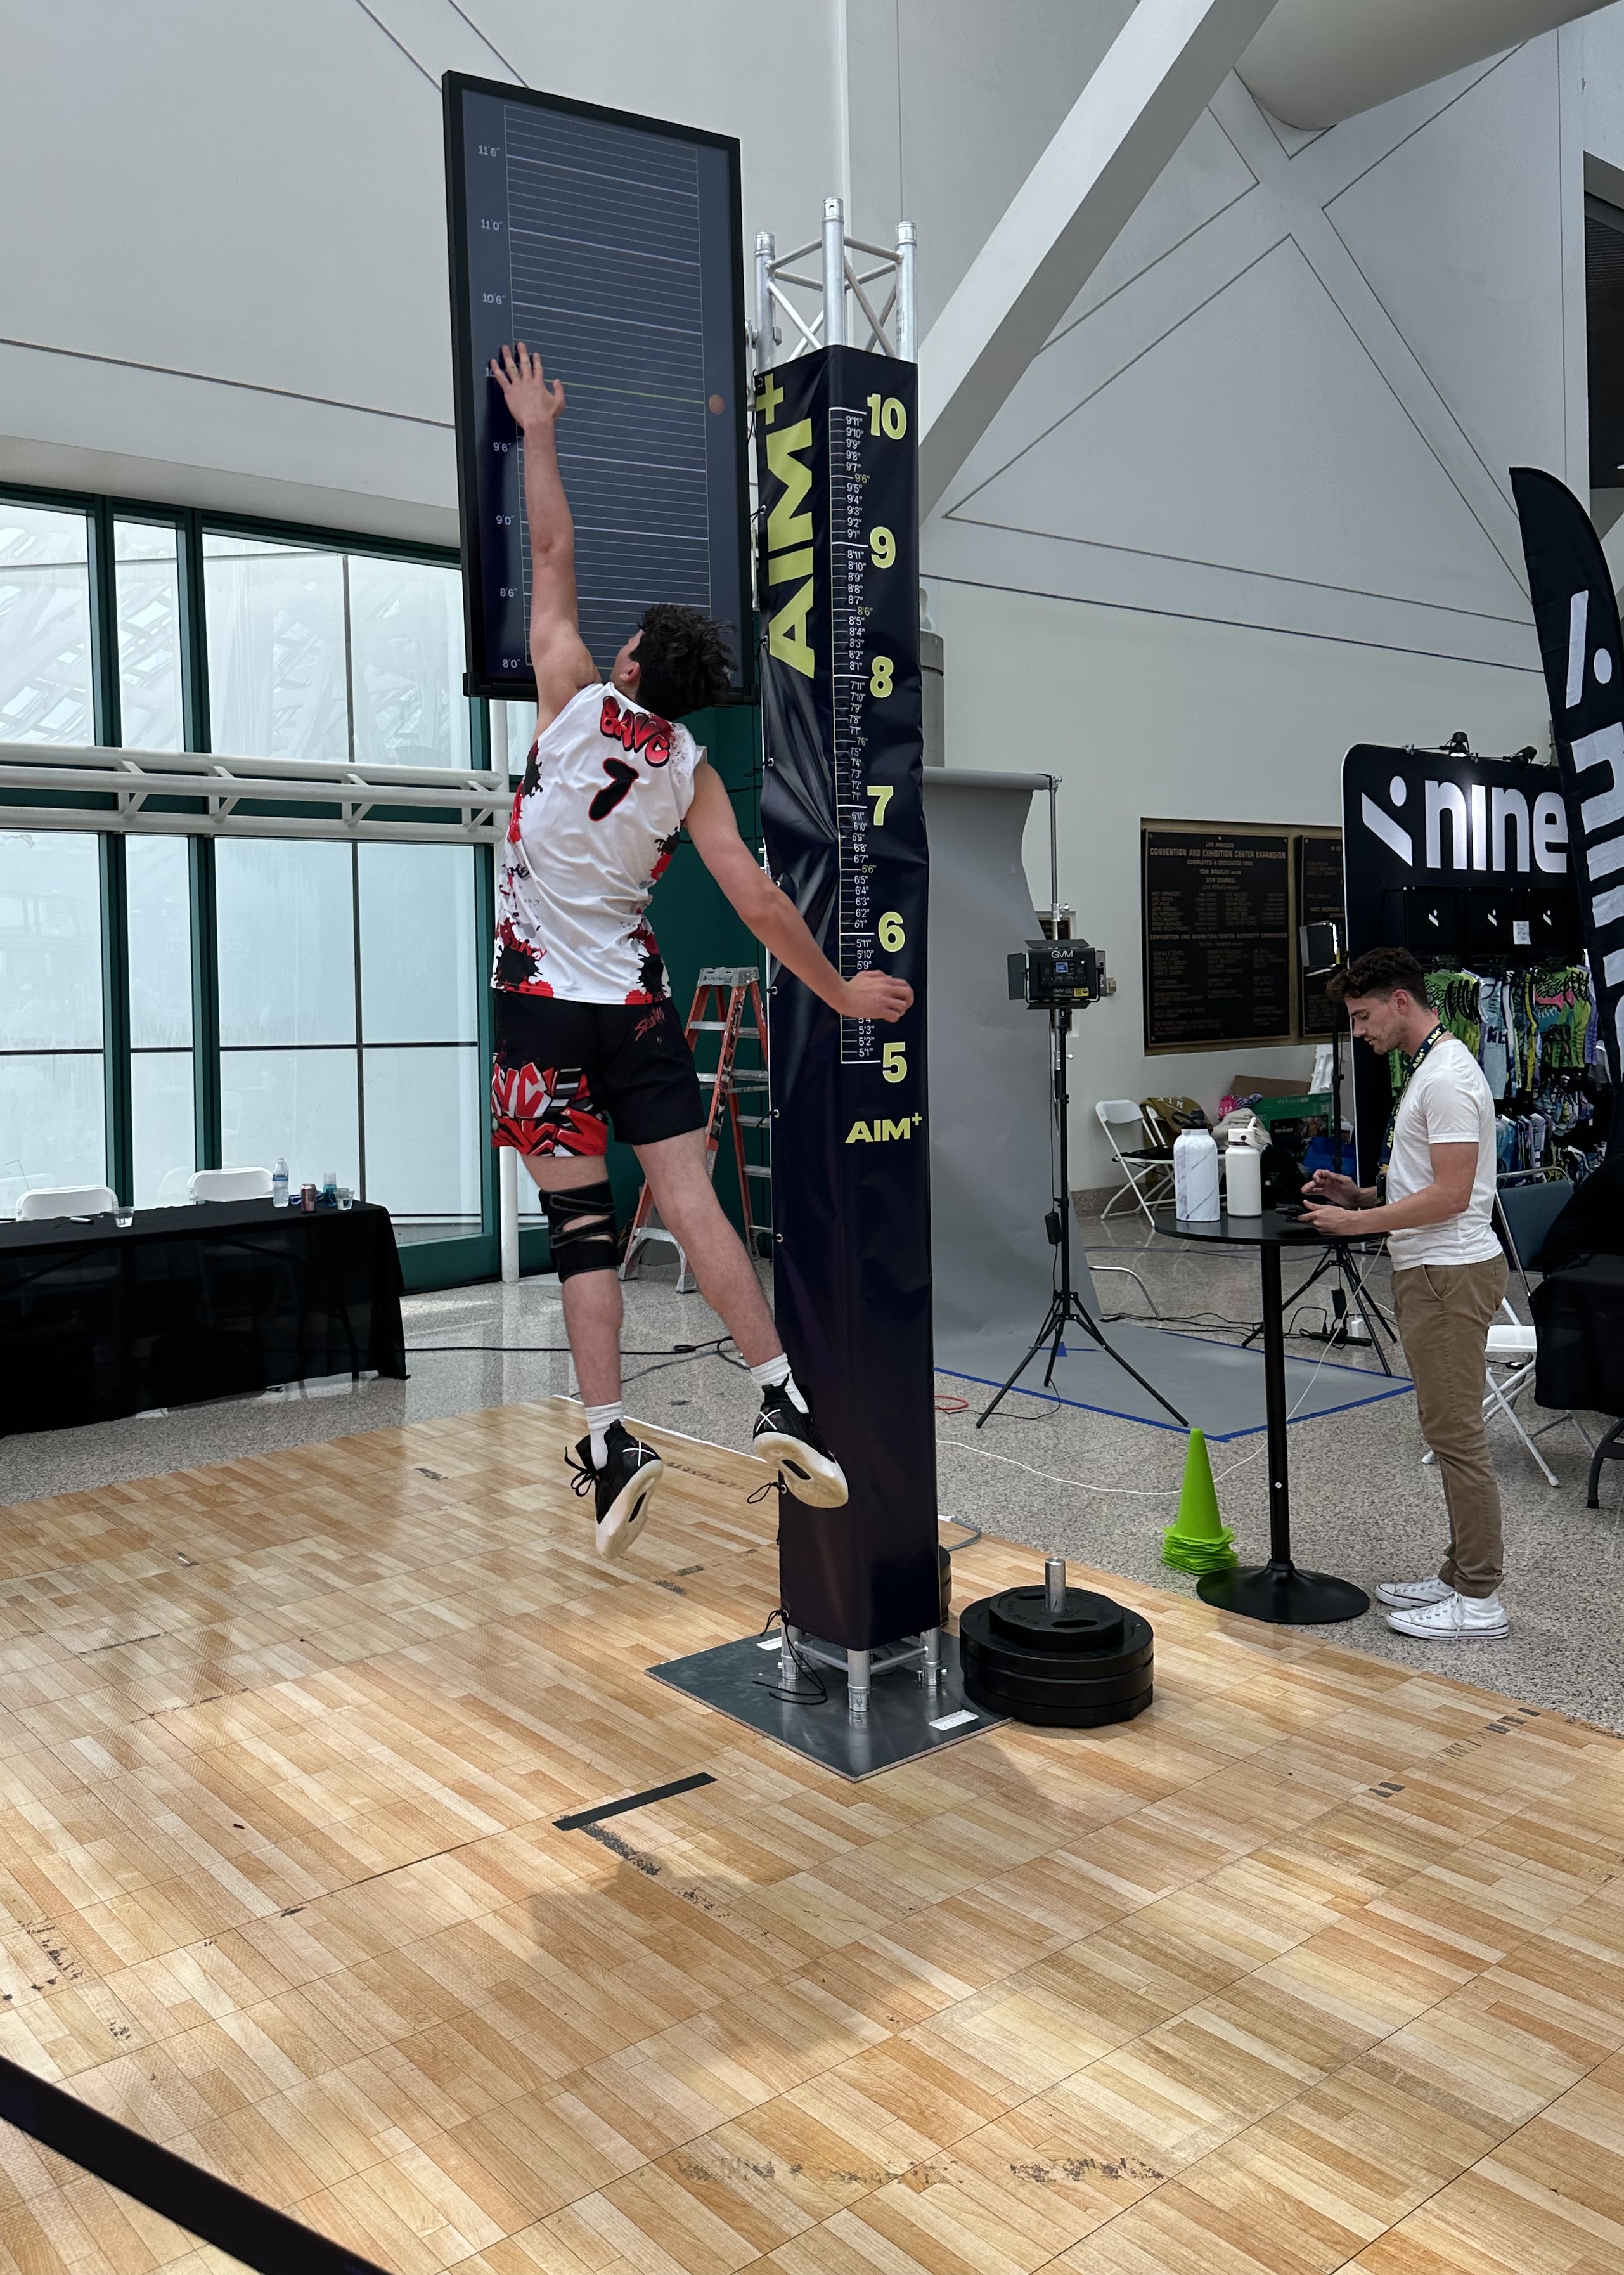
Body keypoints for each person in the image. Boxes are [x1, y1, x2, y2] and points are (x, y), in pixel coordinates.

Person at [486, 342, 912, 1559]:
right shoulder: (689, 770)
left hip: (536, 1006)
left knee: (582, 1227)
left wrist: (536, 429)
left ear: (628, 666)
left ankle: (611, 1437)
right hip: (633, 1008)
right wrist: (841, 993)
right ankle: (779, 1392)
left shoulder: (569, 694)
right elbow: (762, 902)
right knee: (689, 1195)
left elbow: (551, 552)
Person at [1301, 945, 1509, 1640]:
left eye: (1363, 1016)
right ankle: (1456, 1575)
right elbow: (1427, 1180)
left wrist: (1358, 1224)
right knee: (1445, 1432)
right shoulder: (1429, 1068)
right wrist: (1360, 1195)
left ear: (1400, 1000)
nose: (1359, 1031)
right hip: (1430, 1270)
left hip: (1448, 1274)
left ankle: (1479, 1601)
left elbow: (1452, 1195)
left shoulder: (1447, 1077)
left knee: (1458, 1438)